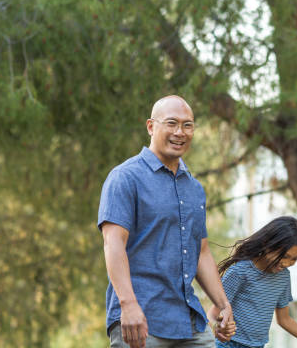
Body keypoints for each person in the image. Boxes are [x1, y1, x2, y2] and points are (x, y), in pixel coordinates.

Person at [98, 95, 233, 348]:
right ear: (151, 126)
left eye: (187, 125)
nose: (180, 132)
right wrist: (128, 305)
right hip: (140, 319)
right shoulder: (125, 178)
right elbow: (112, 243)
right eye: (171, 123)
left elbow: (201, 252)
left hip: (188, 321)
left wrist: (223, 304)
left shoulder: (194, 188)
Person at [209, 216, 297, 348]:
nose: (287, 263)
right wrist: (218, 327)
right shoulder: (240, 271)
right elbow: (213, 313)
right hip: (229, 345)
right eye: (284, 255)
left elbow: (285, 319)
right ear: (267, 244)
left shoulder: (283, 277)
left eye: (294, 259)